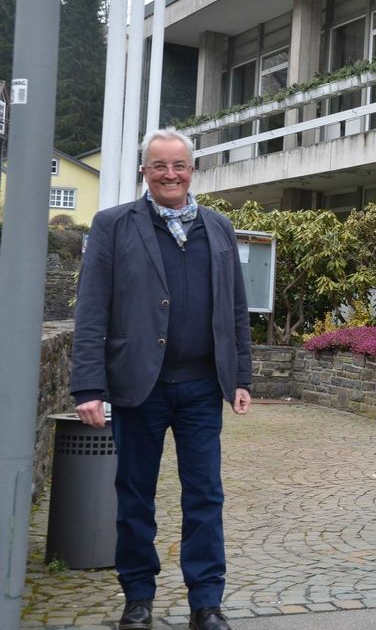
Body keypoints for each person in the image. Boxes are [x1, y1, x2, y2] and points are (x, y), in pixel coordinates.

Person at [70, 128, 252, 630]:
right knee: (135, 496)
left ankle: (206, 602)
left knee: (205, 496)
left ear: (192, 170)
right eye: (159, 166)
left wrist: (241, 376)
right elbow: (91, 312)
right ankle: (138, 598)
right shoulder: (113, 226)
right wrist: (88, 386)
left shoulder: (218, 226)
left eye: (179, 165)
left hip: (200, 387)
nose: (170, 174)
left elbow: (236, 309)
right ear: (144, 172)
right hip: (137, 386)